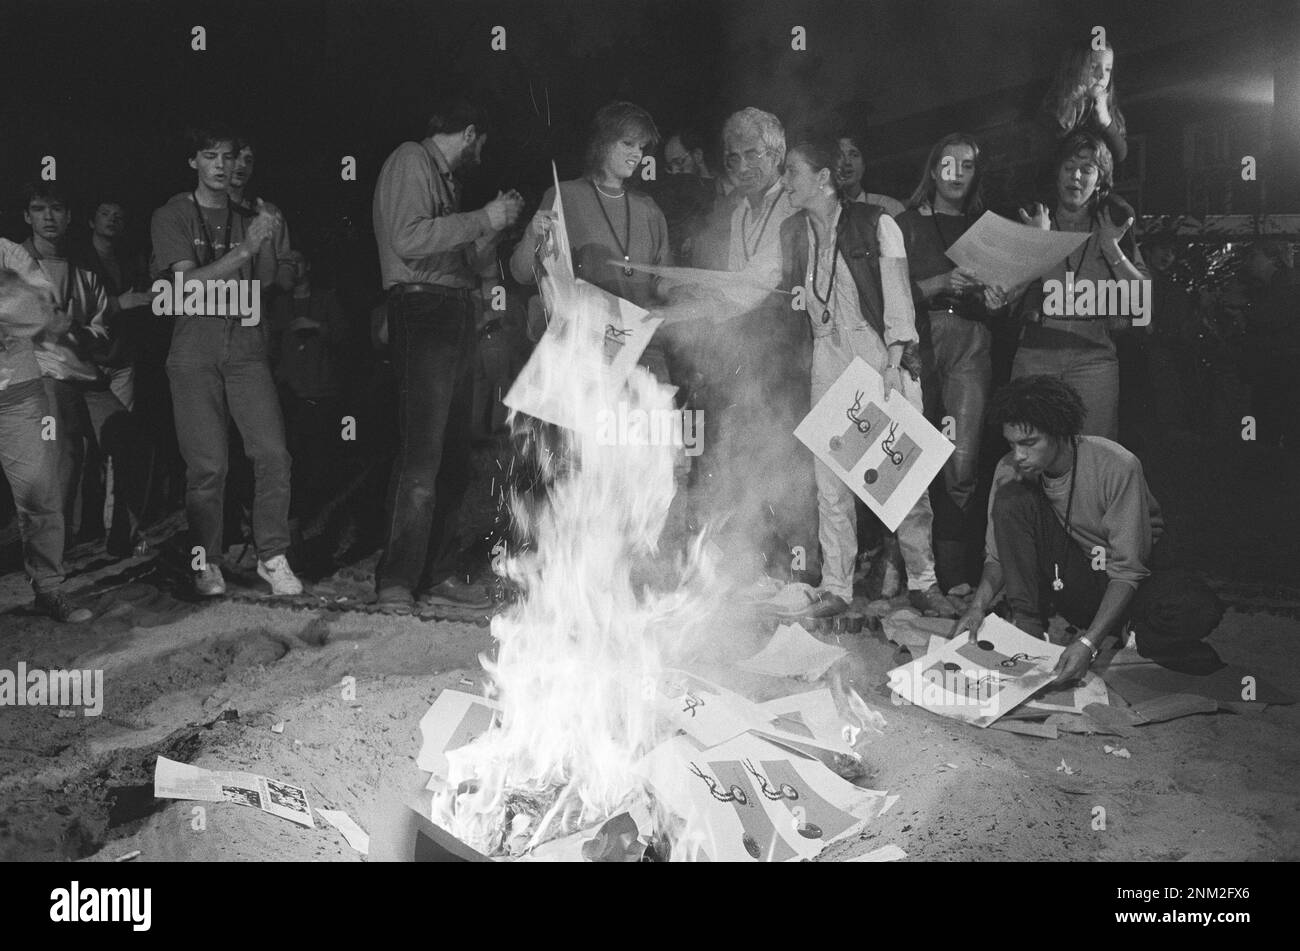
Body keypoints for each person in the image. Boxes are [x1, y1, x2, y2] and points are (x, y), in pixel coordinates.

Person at [776, 141, 957, 619]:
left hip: (876, 350)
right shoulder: (793, 231)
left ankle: (923, 581)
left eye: (792, 171)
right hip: (826, 351)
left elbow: (899, 298)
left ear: (823, 178)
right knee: (829, 477)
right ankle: (837, 584)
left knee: (902, 474)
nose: (785, 180)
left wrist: (896, 362)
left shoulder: (877, 222)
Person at [952, 376, 1224, 677]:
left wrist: (1088, 642)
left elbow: (1129, 569)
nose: (1019, 455)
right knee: (1011, 499)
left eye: (1029, 443)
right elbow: (998, 556)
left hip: (1130, 581)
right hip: (1072, 580)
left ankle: (1126, 631)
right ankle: (1029, 627)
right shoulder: (1009, 469)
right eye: (1012, 444)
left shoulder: (1118, 464)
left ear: (1059, 432)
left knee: (1198, 608)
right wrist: (977, 607)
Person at [509, 101, 688, 547]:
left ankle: (645, 565)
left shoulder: (648, 210)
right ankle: (581, 560)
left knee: (656, 459)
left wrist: (697, 294)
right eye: (628, 143)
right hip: (589, 351)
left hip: (644, 349)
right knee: (585, 462)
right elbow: (518, 272)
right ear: (603, 144)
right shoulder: (564, 196)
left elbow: (664, 286)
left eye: (641, 147)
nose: (637, 154)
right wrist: (533, 234)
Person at [372, 96, 523, 614]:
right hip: (423, 310)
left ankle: (432, 573)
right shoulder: (410, 159)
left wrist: (490, 228)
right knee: (422, 454)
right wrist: (483, 216)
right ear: (470, 132)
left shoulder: (444, 178)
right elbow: (407, 238)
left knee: (455, 456)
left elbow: (452, 250)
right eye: (482, 143)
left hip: (454, 310)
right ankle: (396, 580)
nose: (481, 153)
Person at [663, 107, 820, 594]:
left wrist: (682, 309)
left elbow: (753, 284)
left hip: (795, 349)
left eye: (753, 154)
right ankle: (763, 566)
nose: (742, 165)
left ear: (776, 155)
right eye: (733, 157)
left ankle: (805, 572)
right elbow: (732, 292)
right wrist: (686, 306)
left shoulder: (794, 208)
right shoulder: (738, 214)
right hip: (752, 350)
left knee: (794, 459)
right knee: (754, 452)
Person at [150, 123, 304, 597]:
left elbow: (272, 282)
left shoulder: (253, 214)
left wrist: (276, 242)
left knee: (273, 454)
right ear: (194, 161)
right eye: (211, 156)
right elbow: (185, 286)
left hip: (246, 345)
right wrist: (249, 246)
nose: (222, 166)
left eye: (229, 157)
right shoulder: (172, 214)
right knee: (208, 466)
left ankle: (272, 555)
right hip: (194, 348)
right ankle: (206, 560)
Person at [896, 133, 1007, 589]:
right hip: (919, 341)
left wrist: (1001, 298)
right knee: (906, 462)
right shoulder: (904, 224)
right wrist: (941, 281)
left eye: (967, 165)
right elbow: (890, 296)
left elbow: (1003, 298)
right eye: (948, 163)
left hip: (972, 342)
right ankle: (905, 572)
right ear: (933, 169)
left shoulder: (987, 228)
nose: (957, 173)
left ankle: (956, 578)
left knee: (961, 464)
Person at [23, 183, 148, 557]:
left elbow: (98, 331)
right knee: (66, 456)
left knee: (131, 438)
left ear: (69, 217)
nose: (49, 217)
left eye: (57, 209)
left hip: (85, 377)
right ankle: (50, 564)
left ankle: (121, 538)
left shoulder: (83, 274)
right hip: (41, 376)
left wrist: (74, 329)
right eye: (39, 209)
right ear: (27, 216)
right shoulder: (12, 265)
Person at [1012, 132, 1147, 441]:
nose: (1076, 176)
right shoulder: (1033, 221)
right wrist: (1038, 243)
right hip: (1036, 353)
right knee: (1029, 449)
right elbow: (1002, 295)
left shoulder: (1113, 224)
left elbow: (1143, 301)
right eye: (1068, 166)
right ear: (1056, 173)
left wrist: (1113, 249)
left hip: (1094, 359)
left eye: (1087, 169)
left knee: (1093, 453)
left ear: (1100, 179)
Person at [0, 240, 92, 622]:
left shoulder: (8, 253)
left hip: (18, 395)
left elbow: (41, 310)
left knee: (40, 494)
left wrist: (22, 311)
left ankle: (49, 588)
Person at [268, 249, 348, 523]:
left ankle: (317, 509)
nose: (291, 265)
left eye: (297, 260)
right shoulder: (280, 302)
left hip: (321, 387)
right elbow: (272, 344)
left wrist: (317, 326)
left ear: (308, 265)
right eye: (286, 261)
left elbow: (343, 336)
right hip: (291, 389)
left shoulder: (327, 298)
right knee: (293, 454)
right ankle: (297, 514)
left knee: (320, 455)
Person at [1037, 37, 1128, 165]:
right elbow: (1043, 154)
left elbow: (1120, 154)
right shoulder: (1053, 108)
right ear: (1075, 69)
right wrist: (1064, 120)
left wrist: (1105, 121)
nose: (1101, 75)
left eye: (1108, 69)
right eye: (1093, 67)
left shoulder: (1108, 110)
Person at [834, 130, 906, 216]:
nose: (847, 162)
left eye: (854, 155)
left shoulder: (890, 207)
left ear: (863, 165)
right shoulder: (826, 211)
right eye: (840, 156)